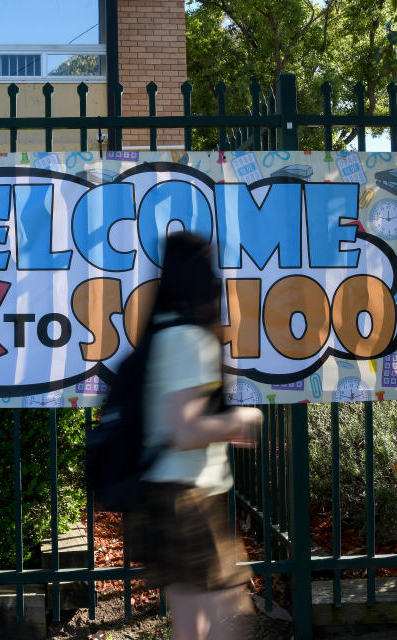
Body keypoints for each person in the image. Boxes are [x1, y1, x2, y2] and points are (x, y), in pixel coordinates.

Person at [124, 231, 263, 640]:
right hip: (190, 501)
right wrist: (242, 421)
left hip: (164, 496)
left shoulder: (161, 335)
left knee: (194, 627)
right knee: (229, 617)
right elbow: (185, 430)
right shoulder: (190, 339)